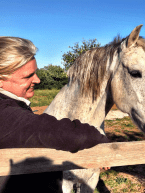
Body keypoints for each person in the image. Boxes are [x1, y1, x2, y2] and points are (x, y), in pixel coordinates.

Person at [0, 36, 110, 192]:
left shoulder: (11, 105)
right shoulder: (3, 113)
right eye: (28, 76)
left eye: (35, 72)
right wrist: (100, 139)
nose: (37, 80)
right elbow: (56, 132)